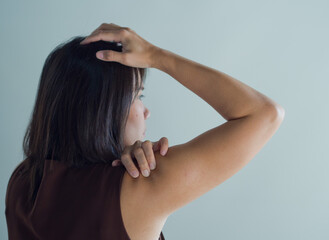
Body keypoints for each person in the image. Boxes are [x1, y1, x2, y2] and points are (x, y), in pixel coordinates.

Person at [5, 23, 285, 240]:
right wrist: (156, 56)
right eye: (138, 95)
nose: (146, 111)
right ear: (105, 109)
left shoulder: (22, 182)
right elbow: (264, 114)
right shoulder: (142, 186)